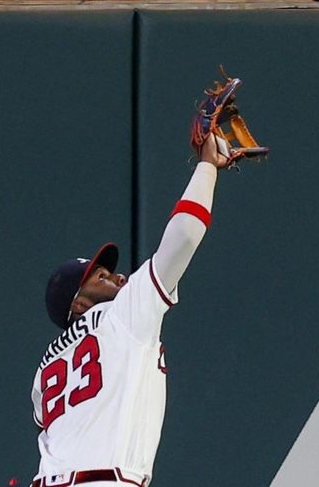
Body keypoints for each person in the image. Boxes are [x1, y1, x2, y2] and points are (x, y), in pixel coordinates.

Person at [29, 133, 227, 487]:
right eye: (100, 277)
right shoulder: (123, 313)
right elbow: (182, 237)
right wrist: (207, 166)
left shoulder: (43, 372)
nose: (117, 277)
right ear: (78, 303)